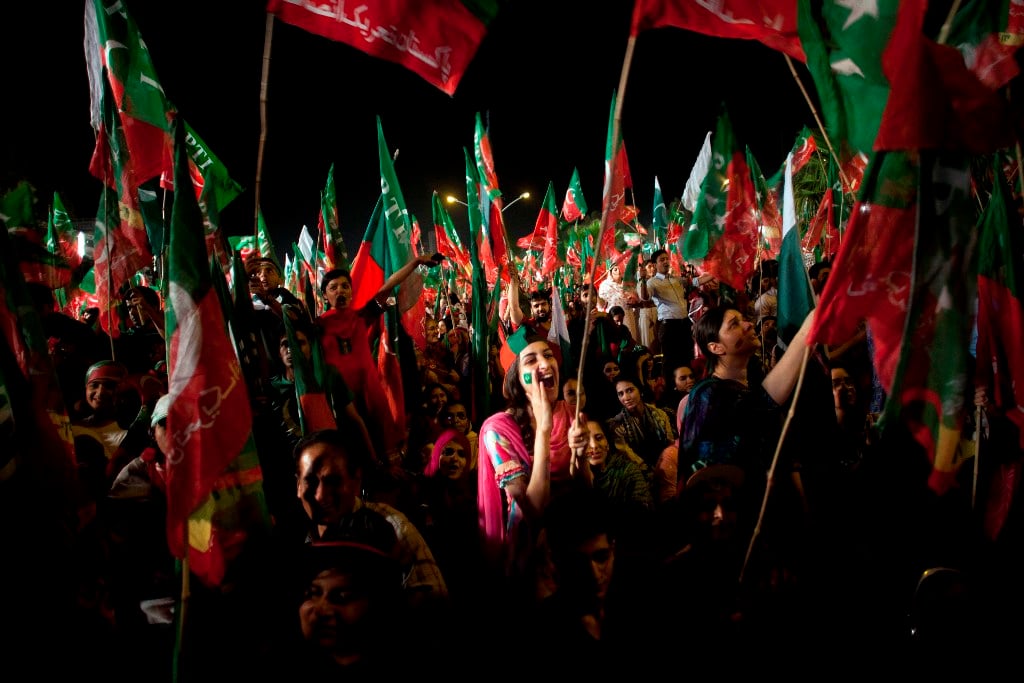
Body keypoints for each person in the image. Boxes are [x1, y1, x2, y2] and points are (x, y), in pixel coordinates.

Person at [477, 326, 586, 603]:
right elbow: (532, 508)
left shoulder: (570, 413)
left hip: (574, 545)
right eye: (531, 360)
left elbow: (585, 490)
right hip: (530, 555)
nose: (545, 364)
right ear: (517, 378)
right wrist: (544, 431)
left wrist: (582, 456)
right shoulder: (497, 429)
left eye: (548, 356)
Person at [292, 429, 449, 617]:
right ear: (298, 485)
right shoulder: (294, 538)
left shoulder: (391, 526)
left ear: (356, 479)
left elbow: (435, 607)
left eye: (333, 481)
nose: (320, 495)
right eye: (310, 481)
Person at [317, 254, 440, 471]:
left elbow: (389, 285)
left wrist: (416, 261)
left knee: (377, 448)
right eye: (333, 287)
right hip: (339, 401)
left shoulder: (361, 317)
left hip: (368, 396)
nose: (340, 291)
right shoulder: (317, 327)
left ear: (351, 291)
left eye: (345, 286)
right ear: (325, 295)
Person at [638, 248, 714, 382]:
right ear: (655, 265)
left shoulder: (677, 280)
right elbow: (644, 297)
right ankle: (670, 392)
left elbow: (698, 281)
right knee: (671, 362)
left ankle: (687, 387)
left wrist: (718, 271)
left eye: (667, 259)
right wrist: (643, 280)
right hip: (669, 327)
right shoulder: (652, 282)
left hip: (684, 324)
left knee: (687, 358)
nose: (666, 262)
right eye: (662, 260)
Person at [598, 262, 640, 342]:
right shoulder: (605, 285)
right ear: (610, 272)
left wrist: (633, 300)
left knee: (630, 338)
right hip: (614, 317)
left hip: (628, 314)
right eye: (615, 269)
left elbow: (636, 299)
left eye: (619, 268)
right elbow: (601, 304)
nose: (618, 271)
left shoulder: (628, 284)